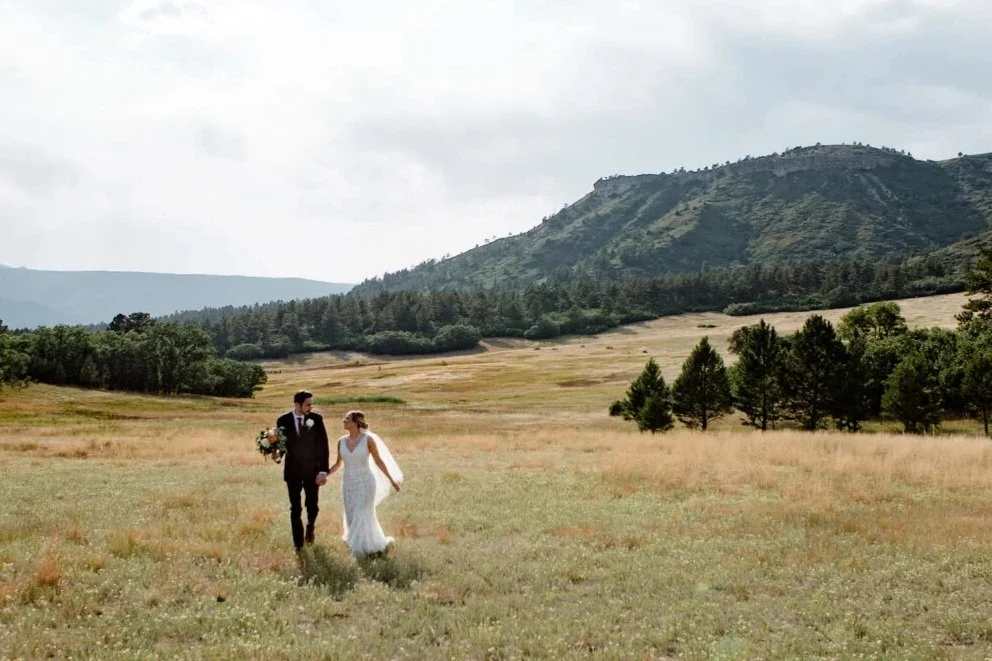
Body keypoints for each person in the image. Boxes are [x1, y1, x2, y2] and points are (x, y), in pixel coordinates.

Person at [327, 410, 402, 556]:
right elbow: (338, 464)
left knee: (362, 513)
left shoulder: (368, 440)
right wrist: (325, 474)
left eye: (347, 419)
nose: (344, 421)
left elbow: (378, 461)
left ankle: (360, 549)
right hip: (348, 484)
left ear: (356, 422)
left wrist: (392, 480)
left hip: (365, 482)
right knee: (351, 515)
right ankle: (360, 542)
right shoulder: (341, 442)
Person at [276, 390, 330, 552]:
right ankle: (298, 545)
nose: (310, 407)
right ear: (297, 405)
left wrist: (323, 471)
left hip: (312, 471)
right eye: (307, 404)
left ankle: (310, 526)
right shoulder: (283, 420)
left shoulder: (316, 419)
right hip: (292, 472)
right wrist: (277, 456)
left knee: (312, 506)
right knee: (295, 508)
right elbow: (281, 446)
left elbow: (323, 445)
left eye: (311, 404)